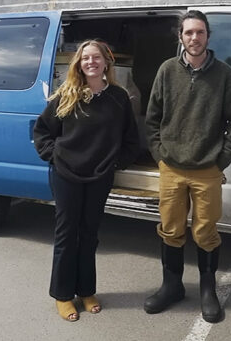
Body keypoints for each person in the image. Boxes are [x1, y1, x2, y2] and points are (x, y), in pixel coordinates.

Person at [144, 10, 231, 323]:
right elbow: (152, 120)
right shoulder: (166, 70)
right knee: (171, 229)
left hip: (207, 170)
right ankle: (172, 286)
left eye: (200, 32)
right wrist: (161, 156)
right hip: (171, 168)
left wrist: (220, 161)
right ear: (181, 37)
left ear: (208, 36)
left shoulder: (225, 74)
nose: (194, 38)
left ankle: (207, 290)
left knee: (206, 232)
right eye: (188, 33)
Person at [33, 40, 139, 322]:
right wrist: (52, 155)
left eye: (96, 58)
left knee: (89, 235)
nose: (90, 62)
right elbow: (42, 130)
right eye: (85, 58)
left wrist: (116, 163)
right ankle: (63, 295)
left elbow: (131, 139)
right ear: (79, 64)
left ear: (106, 63)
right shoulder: (67, 95)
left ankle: (86, 290)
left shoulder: (118, 97)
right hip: (66, 174)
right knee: (67, 235)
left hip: (99, 177)